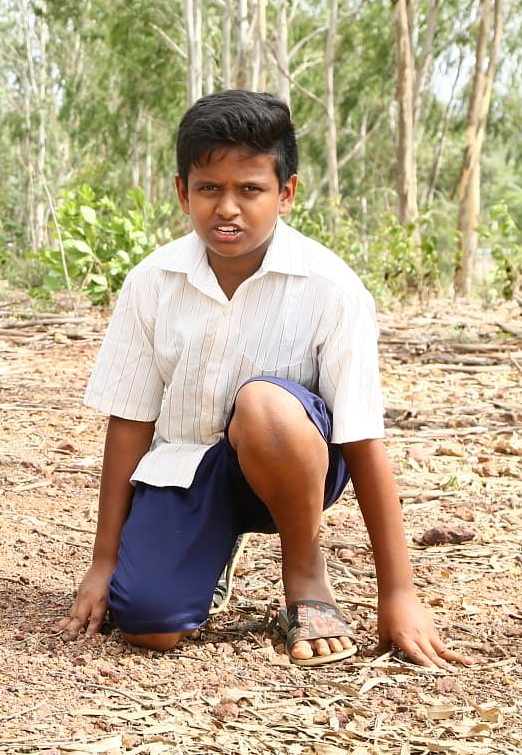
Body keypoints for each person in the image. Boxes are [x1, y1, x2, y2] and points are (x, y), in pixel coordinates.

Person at [57, 90, 468, 668]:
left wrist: (397, 593)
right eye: (209, 189)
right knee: (148, 624)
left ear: (286, 193)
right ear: (183, 192)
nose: (228, 208)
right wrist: (103, 564)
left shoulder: (331, 287)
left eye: (250, 189)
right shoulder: (152, 283)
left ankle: (304, 575)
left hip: (294, 464)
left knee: (264, 404)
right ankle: (207, 554)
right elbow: (129, 420)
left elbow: (361, 437)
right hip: (188, 466)